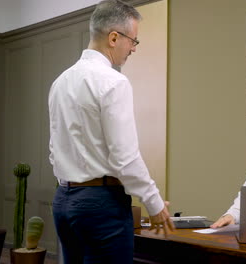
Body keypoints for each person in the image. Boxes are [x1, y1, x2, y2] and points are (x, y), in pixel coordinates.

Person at [48, 1, 174, 263]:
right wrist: (155, 203)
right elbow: (125, 158)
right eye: (133, 41)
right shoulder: (114, 82)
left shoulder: (60, 82)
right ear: (114, 37)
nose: (134, 49)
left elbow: (54, 150)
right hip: (100, 205)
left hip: (62, 201)